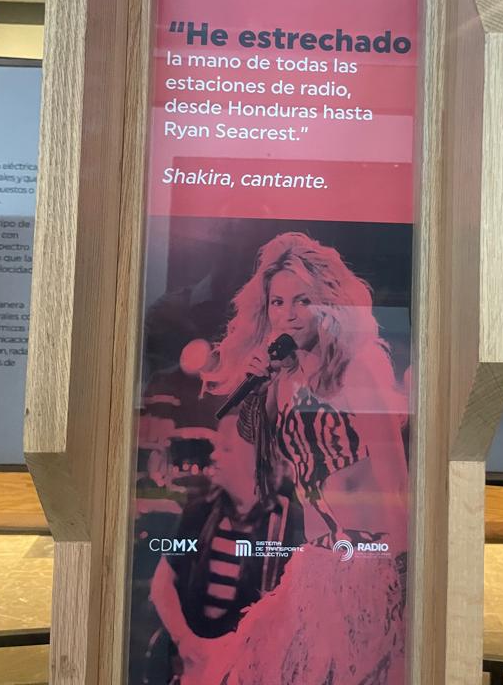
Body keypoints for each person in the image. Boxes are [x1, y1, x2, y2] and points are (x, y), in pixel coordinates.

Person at [201, 231, 409, 685]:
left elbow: (396, 479)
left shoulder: (358, 367)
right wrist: (258, 384)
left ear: (329, 304)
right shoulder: (284, 379)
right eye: (277, 302)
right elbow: (254, 444)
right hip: (316, 566)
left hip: (372, 561)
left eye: (302, 301)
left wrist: (406, 572)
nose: (288, 314)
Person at [147, 414, 302, 685]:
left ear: (256, 461)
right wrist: (184, 640)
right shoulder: (199, 512)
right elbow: (162, 583)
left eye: (226, 449)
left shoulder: (288, 523)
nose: (214, 455)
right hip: (193, 667)